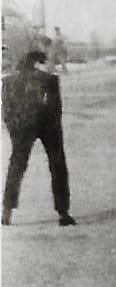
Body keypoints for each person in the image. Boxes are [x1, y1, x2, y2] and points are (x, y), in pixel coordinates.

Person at [2, 50, 76, 226]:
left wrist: (14, 130)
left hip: (21, 127)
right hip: (48, 126)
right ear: (38, 62)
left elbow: (6, 110)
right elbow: (56, 108)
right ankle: (63, 212)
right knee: (57, 165)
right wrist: (55, 131)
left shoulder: (8, 81)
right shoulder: (50, 80)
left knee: (16, 166)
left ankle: (6, 211)